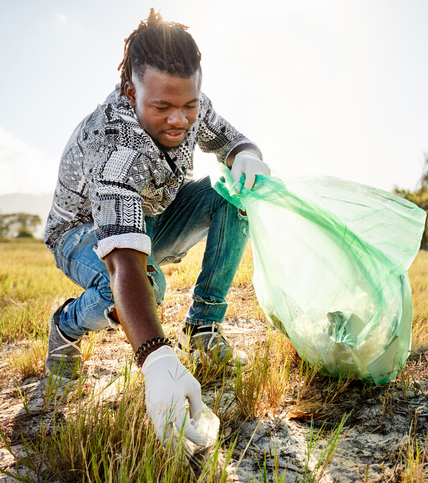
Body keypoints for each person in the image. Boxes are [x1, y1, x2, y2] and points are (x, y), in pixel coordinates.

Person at [42, 10, 269, 449]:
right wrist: (156, 357)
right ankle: (66, 325)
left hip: (153, 217)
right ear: (131, 92)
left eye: (189, 105)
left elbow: (231, 139)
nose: (179, 120)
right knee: (145, 284)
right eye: (162, 107)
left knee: (234, 192)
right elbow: (123, 263)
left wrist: (245, 154)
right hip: (80, 231)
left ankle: (204, 328)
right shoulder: (113, 142)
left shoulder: (188, 103)